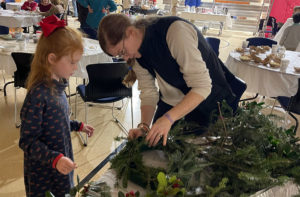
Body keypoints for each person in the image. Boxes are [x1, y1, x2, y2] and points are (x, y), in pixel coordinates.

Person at [98, 14, 236, 147]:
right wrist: (144, 127)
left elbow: (202, 86)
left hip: (209, 102)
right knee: (159, 150)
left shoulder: (175, 32)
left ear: (130, 32)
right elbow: (149, 93)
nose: (126, 58)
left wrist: (168, 119)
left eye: (122, 51)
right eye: (119, 56)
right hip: (172, 103)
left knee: (197, 157)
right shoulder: (135, 54)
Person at [19, 15, 94, 197]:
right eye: (72, 62)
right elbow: (27, 141)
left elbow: (56, 122)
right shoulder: (38, 95)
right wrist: (54, 159)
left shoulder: (58, 86)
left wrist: (77, 126)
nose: (75, 68)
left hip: (59, 163)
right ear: (52, 58)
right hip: (44, 173)